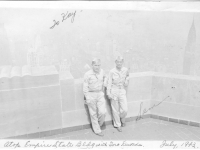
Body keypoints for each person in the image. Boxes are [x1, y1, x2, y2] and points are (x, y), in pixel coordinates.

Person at [83, 58, 107, 136]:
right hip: (91, 94)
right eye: (95, 65)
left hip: (100, 93)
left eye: (98, 65)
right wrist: (87, 98)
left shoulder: (102, 71)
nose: (97, 67)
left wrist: (105, 82)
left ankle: (99, 124)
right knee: (93, 113)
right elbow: (85, 87)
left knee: (102, 112)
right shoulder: (87, 74)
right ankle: (97, 130)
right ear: (92, 65)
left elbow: (105, 77)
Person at [107, 56, 129, 132]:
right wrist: (108, 93)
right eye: (117, 62)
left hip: (122, 90)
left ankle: (121, 118)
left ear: (122, 62)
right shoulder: (112, 71)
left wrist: (127, 81)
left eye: (120, 62)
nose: (119, 63)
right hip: (114, 90)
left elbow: (127, 76)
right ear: (115, 62)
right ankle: (118, 124)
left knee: (125, 109)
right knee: (115, 109)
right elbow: (109, 82)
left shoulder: (125, 70)